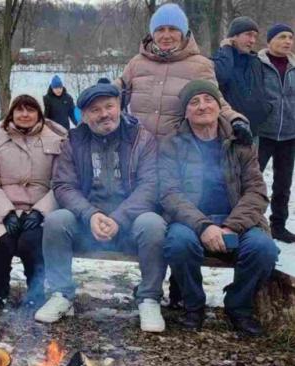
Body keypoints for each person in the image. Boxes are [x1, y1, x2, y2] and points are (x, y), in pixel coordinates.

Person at [38, 83, 167, 333]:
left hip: (131, 222)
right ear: (84, 116)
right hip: (88, 223)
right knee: (57, 220)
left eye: (109, 106)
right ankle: (60, 294)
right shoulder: (74, 141)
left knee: (153, 224)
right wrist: (90, 215)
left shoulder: (142, 138)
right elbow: (64, 185)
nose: (104, 114)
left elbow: (150, 186)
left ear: (120, 106)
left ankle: (149, 298)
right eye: (95, 110)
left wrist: (119, 218)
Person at [160, 81, 278, 337]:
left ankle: (239, 307)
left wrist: (229, 227)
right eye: (194, 102)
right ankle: (193, 306)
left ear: (219, 105)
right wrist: (203, 226)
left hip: (236, 220)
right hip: (191, 222)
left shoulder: (241, 142)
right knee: (178, 243)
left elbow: (256, 192)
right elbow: (170, 194)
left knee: (263, 248)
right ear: (186, 112)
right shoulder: (172, 144)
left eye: (208, 99)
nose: (202, 106)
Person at [0, 94, 67, 307]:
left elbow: (62, 183)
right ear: (12, 113)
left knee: (32, 241)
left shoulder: (57, 140)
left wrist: (40, 211)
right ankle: (0, 289)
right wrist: (5, 212)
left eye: (31, 110)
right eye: (20, 109)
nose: (25, 114)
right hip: (2, 205)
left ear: (39, 114)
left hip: (39, 207)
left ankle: (35, 291)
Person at [117, 3, 251, 142]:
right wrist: (98, 97)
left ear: (183, 32)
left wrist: (235, 120)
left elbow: (215, 101)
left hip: (178, 152)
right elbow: (116, 94)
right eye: (160, 30)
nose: (166, 35)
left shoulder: (200, 65)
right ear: (152, 33)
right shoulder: (137, 63)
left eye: (173, 29)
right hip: (140, 149)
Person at [257, 24, 295, 243]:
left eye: (290, 37)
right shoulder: (258, 64)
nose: (287, 41)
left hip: (289, 135)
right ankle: (250, 223)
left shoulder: (293, 66)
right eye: (282, 37)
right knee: (252, 181)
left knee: (283, 184)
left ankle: (278, 226)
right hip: (262, 134)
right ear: (269, 40)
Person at [212, 17, 269, 138]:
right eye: (248, 35)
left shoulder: (256, 62)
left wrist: (265, 109)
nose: (252, 40)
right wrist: (226, 48)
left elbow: (262, 90)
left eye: (255, 36)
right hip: (229, 132)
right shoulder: (220, 61)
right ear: (233, 37)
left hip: (254, 131)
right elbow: (222, 76)